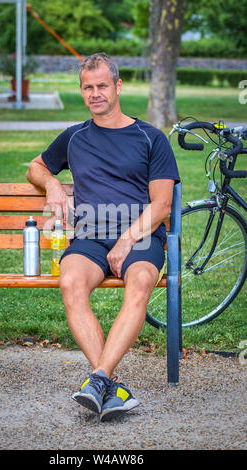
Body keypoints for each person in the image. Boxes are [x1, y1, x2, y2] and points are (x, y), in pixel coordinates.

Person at [26, 53, 180, 422]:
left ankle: (97, 379)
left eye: (101, 86)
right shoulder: (75, 136)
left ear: (118, 86)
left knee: (141, 281)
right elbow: (36, 166)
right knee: (71, 284)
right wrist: (52, 185)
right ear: (82, 91)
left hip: (140, 237)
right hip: (91, 236)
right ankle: (108, 383)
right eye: (87, 87)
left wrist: (127, 240)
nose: (95, 93)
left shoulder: (150, 138)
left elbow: (161, 205)